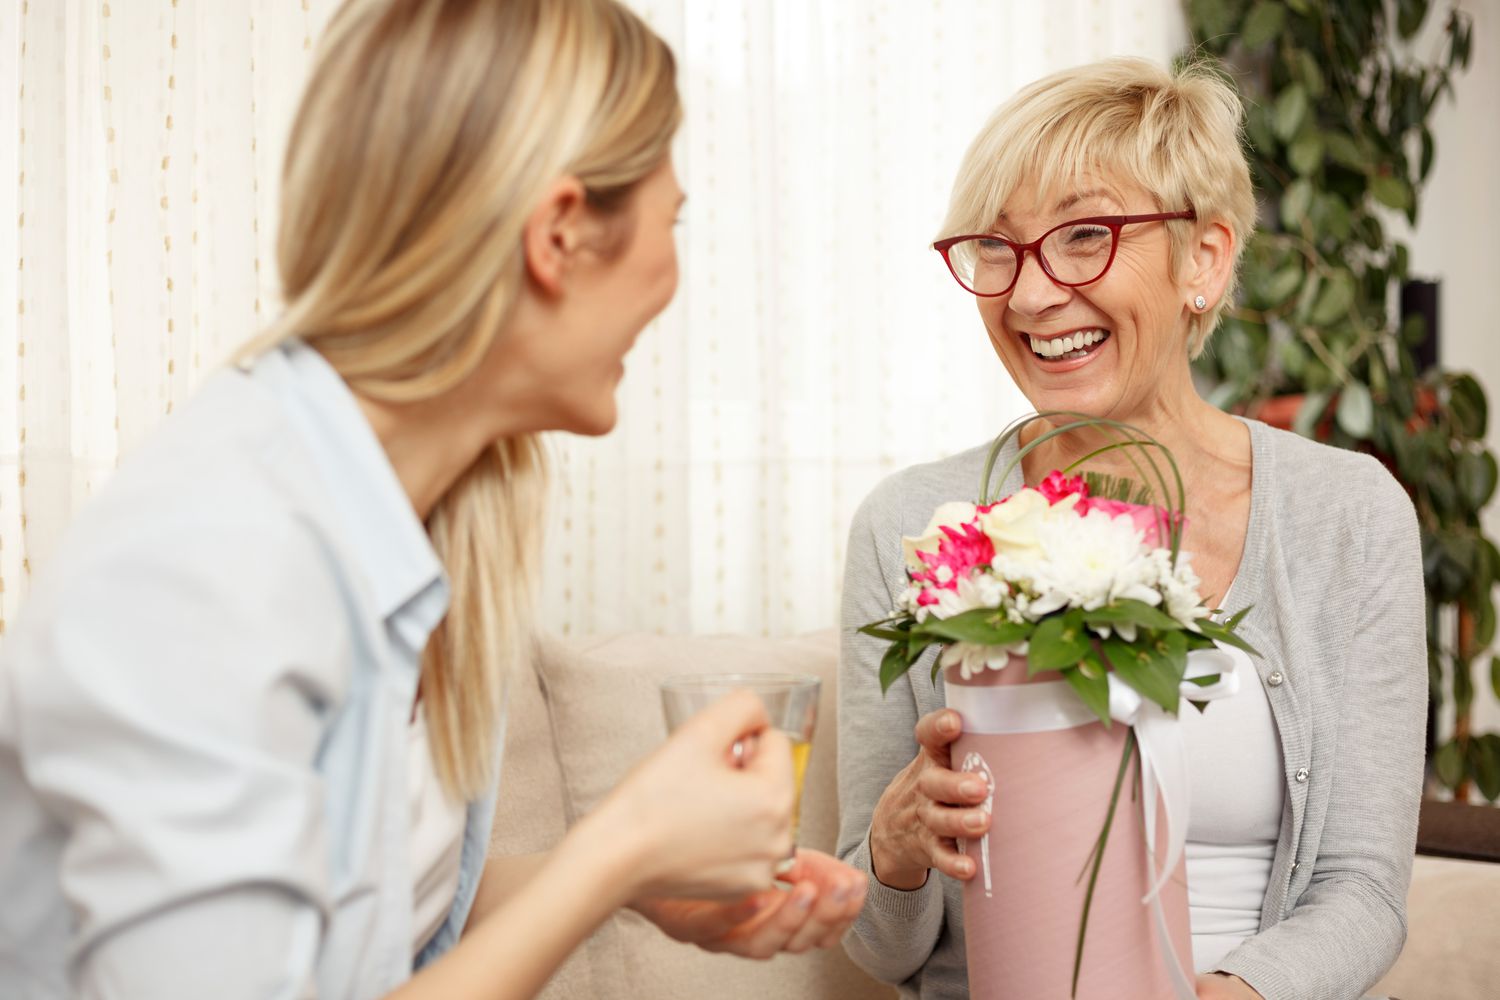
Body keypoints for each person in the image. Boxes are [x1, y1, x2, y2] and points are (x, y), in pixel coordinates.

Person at [0, 1, 866, 997]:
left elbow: (359, 916)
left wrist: (642, 878)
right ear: (560, 235)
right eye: (670, 224)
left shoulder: (407, 521)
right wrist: (617, 851)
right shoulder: (213, 567)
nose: (673, 279)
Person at [836, 57, 1425, 1000]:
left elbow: (1363, 893)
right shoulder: (909, 528)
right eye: (997, 247)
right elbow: (879, 946)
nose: (1030, 297)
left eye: (1084, 237)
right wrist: (896, 849)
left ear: (1206, 258)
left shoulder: (1346, 517)